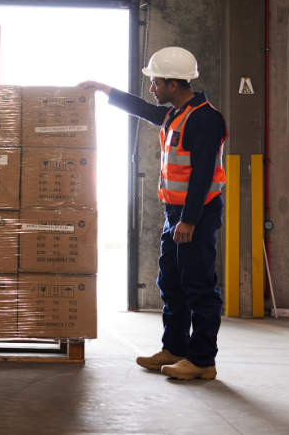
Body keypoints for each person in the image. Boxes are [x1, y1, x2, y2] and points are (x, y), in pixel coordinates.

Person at [79, 46, 227, 380]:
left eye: (155, 82)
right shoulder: (179, 113)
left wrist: (189, 220)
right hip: (176, 213)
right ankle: (175, 348)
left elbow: (203, 174)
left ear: (173, 85)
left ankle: (202, 360)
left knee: (199, 286)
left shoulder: (204, 118)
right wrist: (105, 90)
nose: (152, 88)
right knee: (171, 282)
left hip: (196, 216)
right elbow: (146, 109)